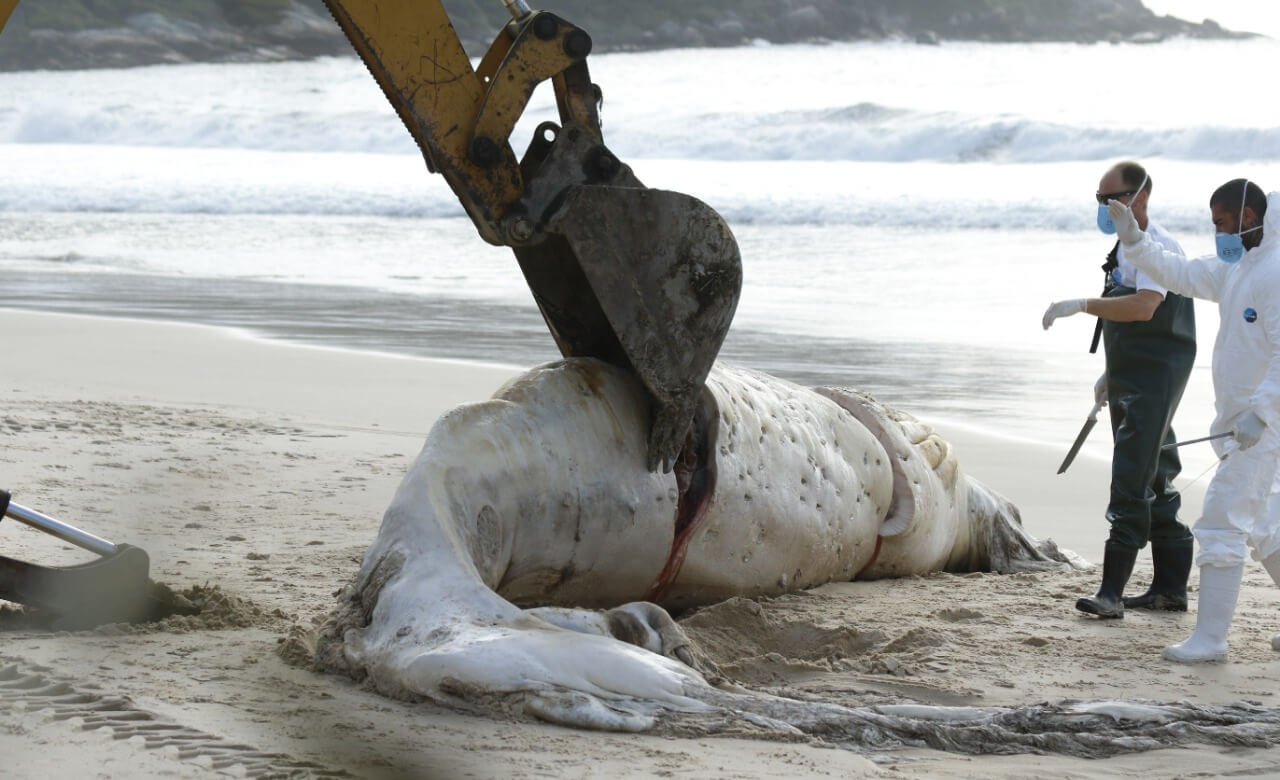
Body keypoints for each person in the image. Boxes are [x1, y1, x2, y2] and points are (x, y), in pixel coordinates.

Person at [1108, 180, 1280, 662]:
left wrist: (1262, 412)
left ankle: (1210, 641)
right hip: (1243, 425)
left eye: (1221, 224)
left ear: (1248, 218)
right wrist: (1136, 242)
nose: (1217, 234)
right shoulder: (1238, 267)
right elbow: (1181, 273)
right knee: (1269, 527)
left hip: (1264, 428)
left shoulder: (1275, 273)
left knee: (1221, 524)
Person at [1042, 161, 1196, 619]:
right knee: (1157, 475)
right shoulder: (1124, 246)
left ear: (1139, 197)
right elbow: (1127, 322)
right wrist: (1112, 373)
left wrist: (1083, 305)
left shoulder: (1158, 248)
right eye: (1098, 199)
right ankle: (1170, 590)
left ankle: (1110, 594)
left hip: (1156, 378)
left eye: (1110, 199)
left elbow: (1146, 308)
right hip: (1132, 376)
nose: (1104, 207)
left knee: (1131, 476)